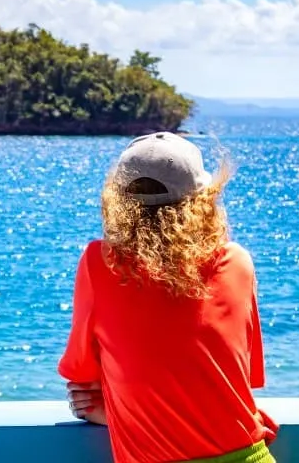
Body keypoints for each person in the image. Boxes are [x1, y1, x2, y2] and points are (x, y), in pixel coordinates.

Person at [57, 132, 278, 463]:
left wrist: (114, 412)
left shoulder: (99, 263)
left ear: (117, 202)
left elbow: (82, 374)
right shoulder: (236, 262)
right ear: (203, 199)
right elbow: (233, 377)